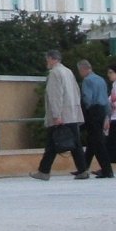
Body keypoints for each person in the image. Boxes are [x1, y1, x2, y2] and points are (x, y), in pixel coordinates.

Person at [30, 49, 85, 181]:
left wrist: (56, 115)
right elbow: (77, 91)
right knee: (75, 144)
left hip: (61, 116)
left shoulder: (55, 73)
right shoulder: (68, 71)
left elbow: (55, 95)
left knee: (51, 144)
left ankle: (44, 171)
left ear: (52, 59)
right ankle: (83, 170)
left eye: (47, 59)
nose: (46, 62)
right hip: (71, 114)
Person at [76, 58, 113, 179]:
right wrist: (108, 116)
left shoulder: (87, 81)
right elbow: (107, 99)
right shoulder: (101, 80)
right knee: (92, 141)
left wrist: (84, 112)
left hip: (93, 111)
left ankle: (107, 170)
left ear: (83, 69)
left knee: (97, 142)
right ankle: (83, 167)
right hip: (102, 111)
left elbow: (87, 98)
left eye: (79, 71)